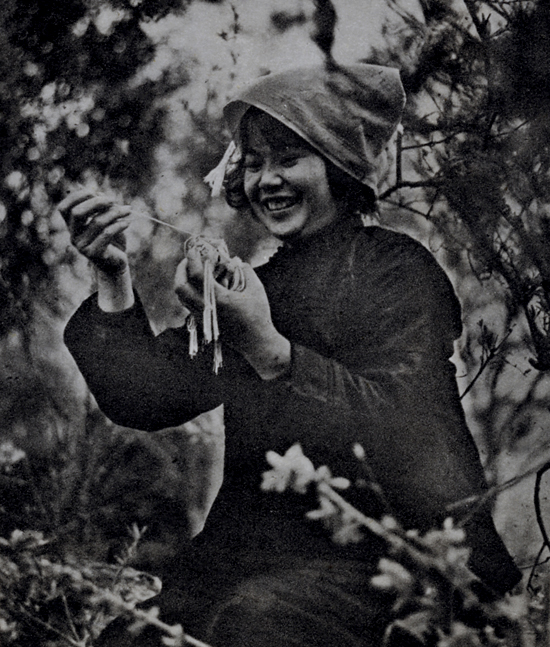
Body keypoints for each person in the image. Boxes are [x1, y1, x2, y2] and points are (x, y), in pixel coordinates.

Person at [59, 64, 521, 647]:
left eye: (288, 159)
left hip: (396, 561)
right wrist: (112, 274)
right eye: (253, 163)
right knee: (132, 638)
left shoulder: (399, 271)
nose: (266, 180)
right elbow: (144, 396)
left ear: (337, 163)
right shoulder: (258, 287)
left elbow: (404, 433)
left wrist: (269, 349)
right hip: (256, 561)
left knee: (254, 624)